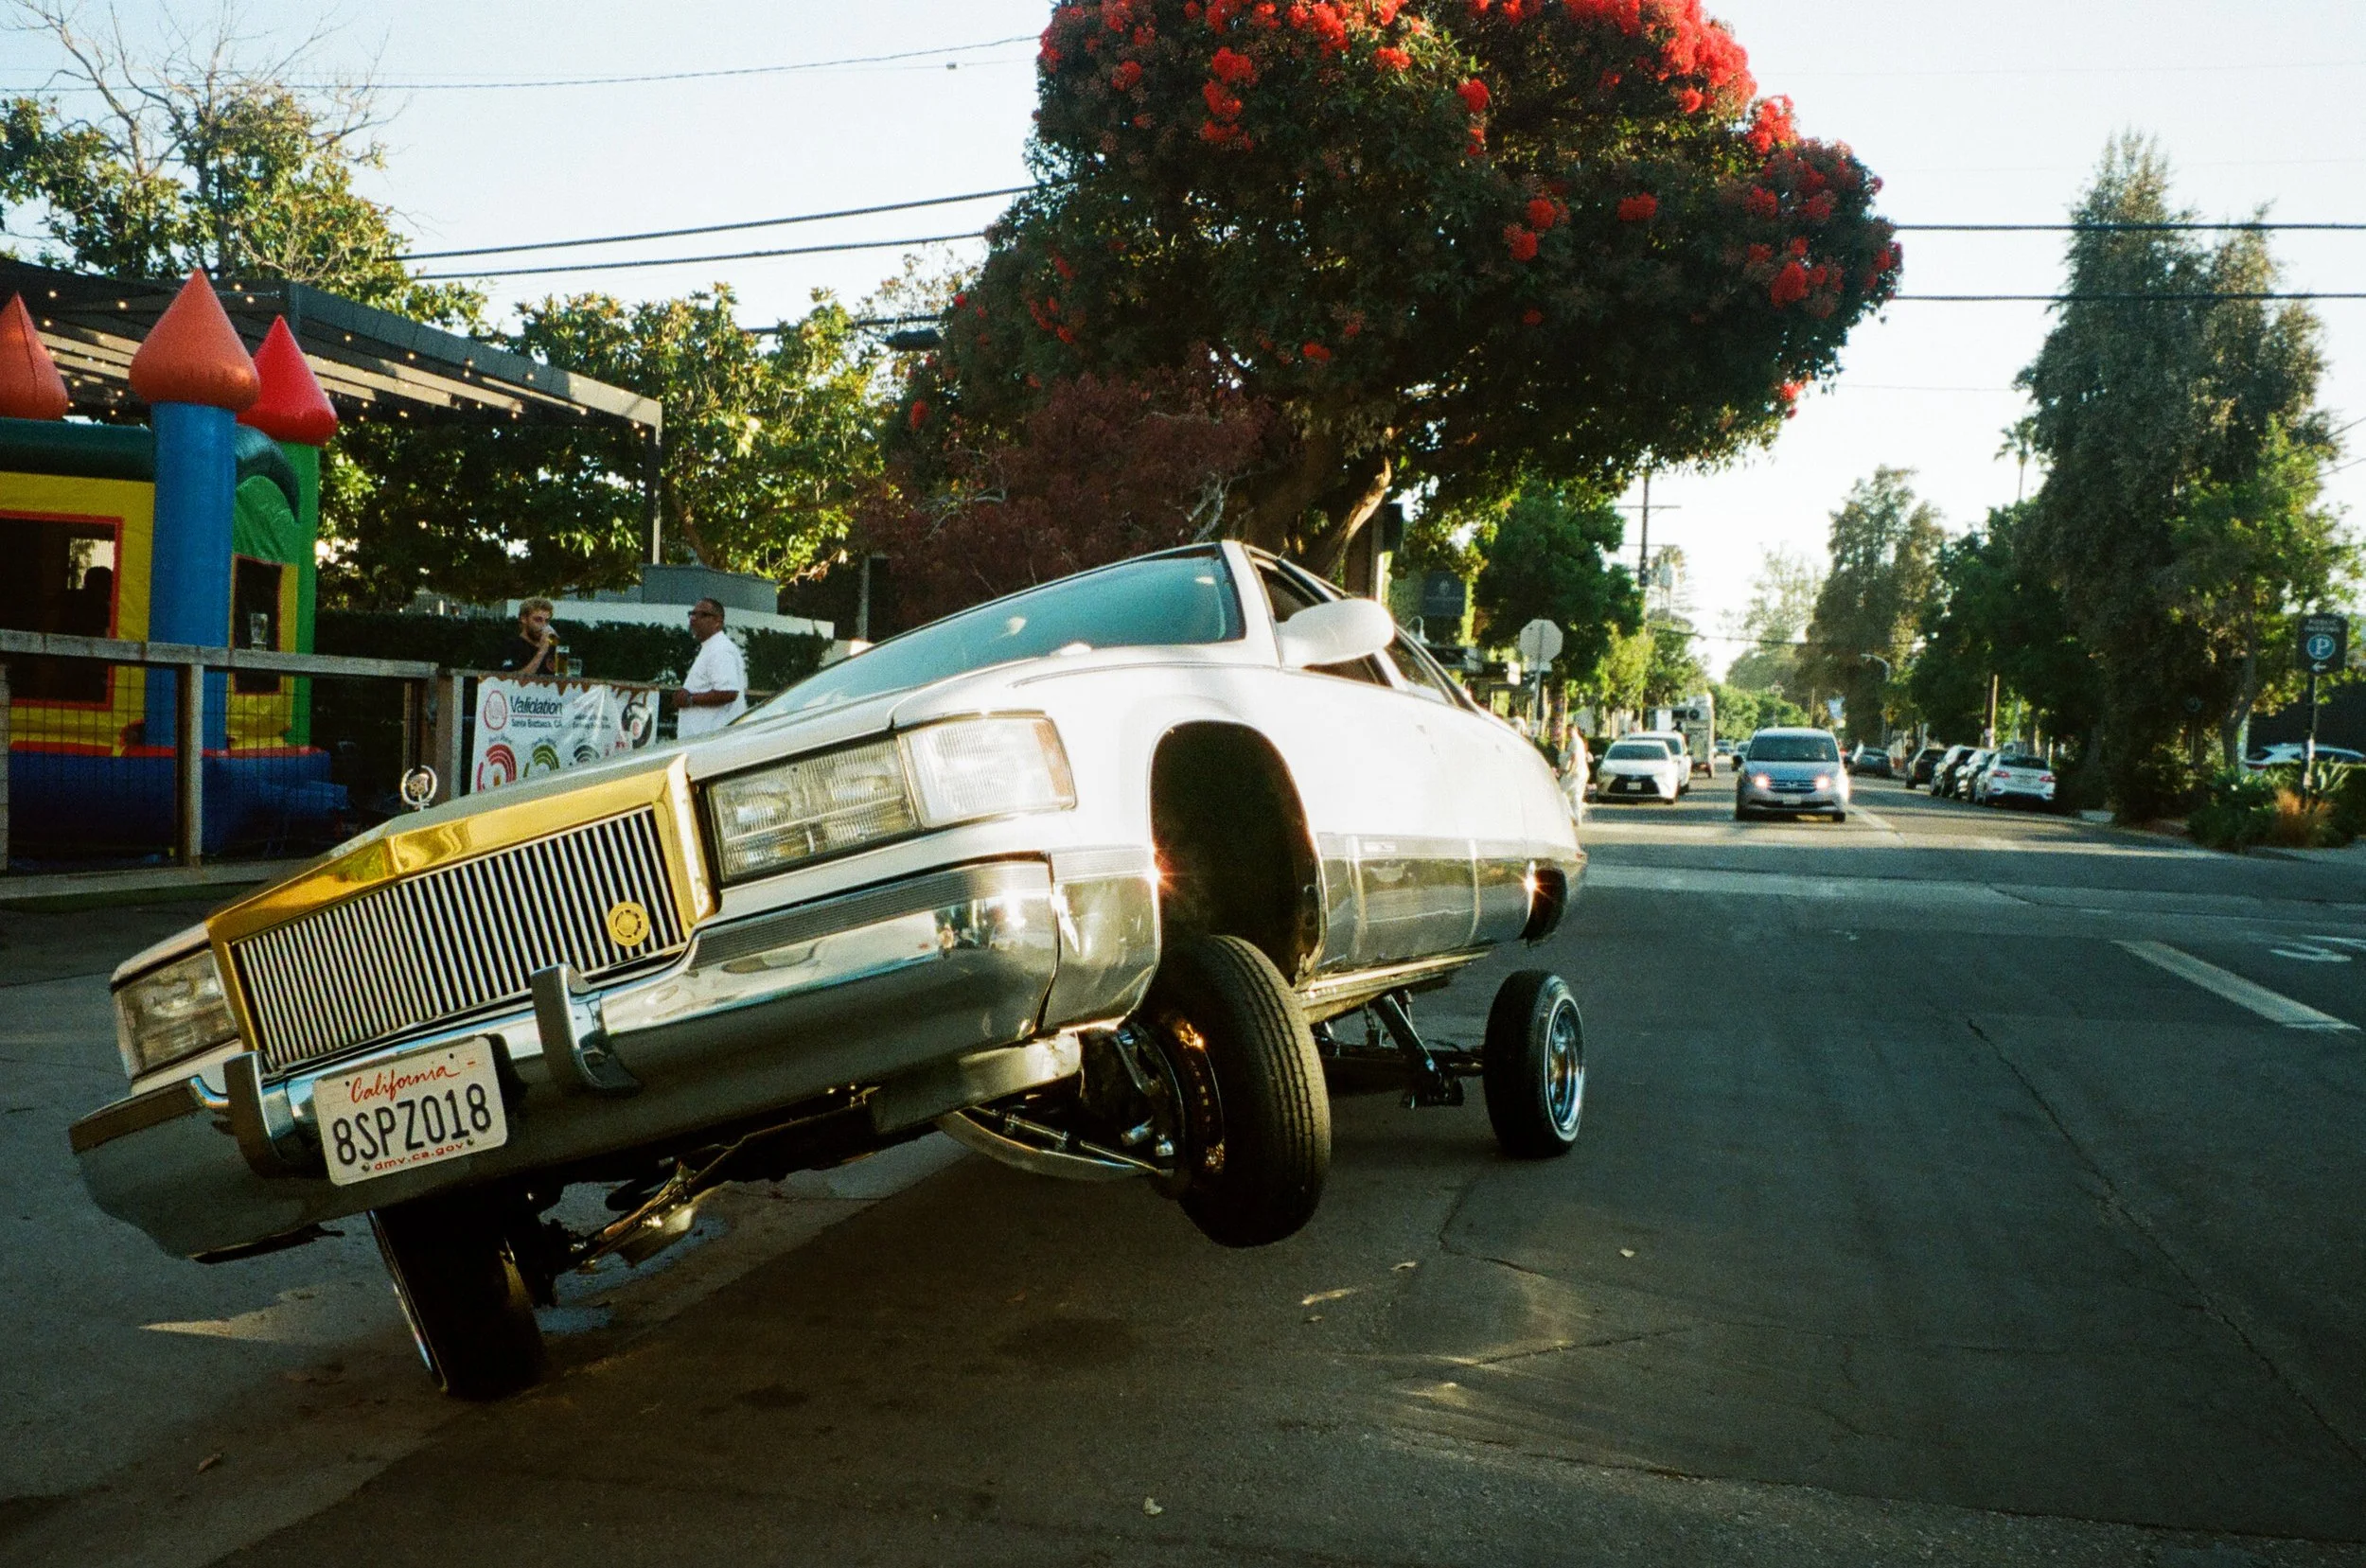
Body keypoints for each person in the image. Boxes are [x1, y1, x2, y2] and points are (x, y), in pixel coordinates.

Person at [672, 597, 746, 738]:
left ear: (718, 622)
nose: (694, 619)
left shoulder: (720, 649)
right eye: (692, 614)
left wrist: (690, 699)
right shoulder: (710, 647)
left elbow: (728, 693)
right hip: (703, 741)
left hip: (712, 742)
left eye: (702, 615)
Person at [503, 597, 558, 676]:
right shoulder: (511, 645)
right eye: (538, 620)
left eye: (547, 621)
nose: (543, 625)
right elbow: (510, 681)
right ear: (524, 619)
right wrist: (542, 651)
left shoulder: (551, 647)